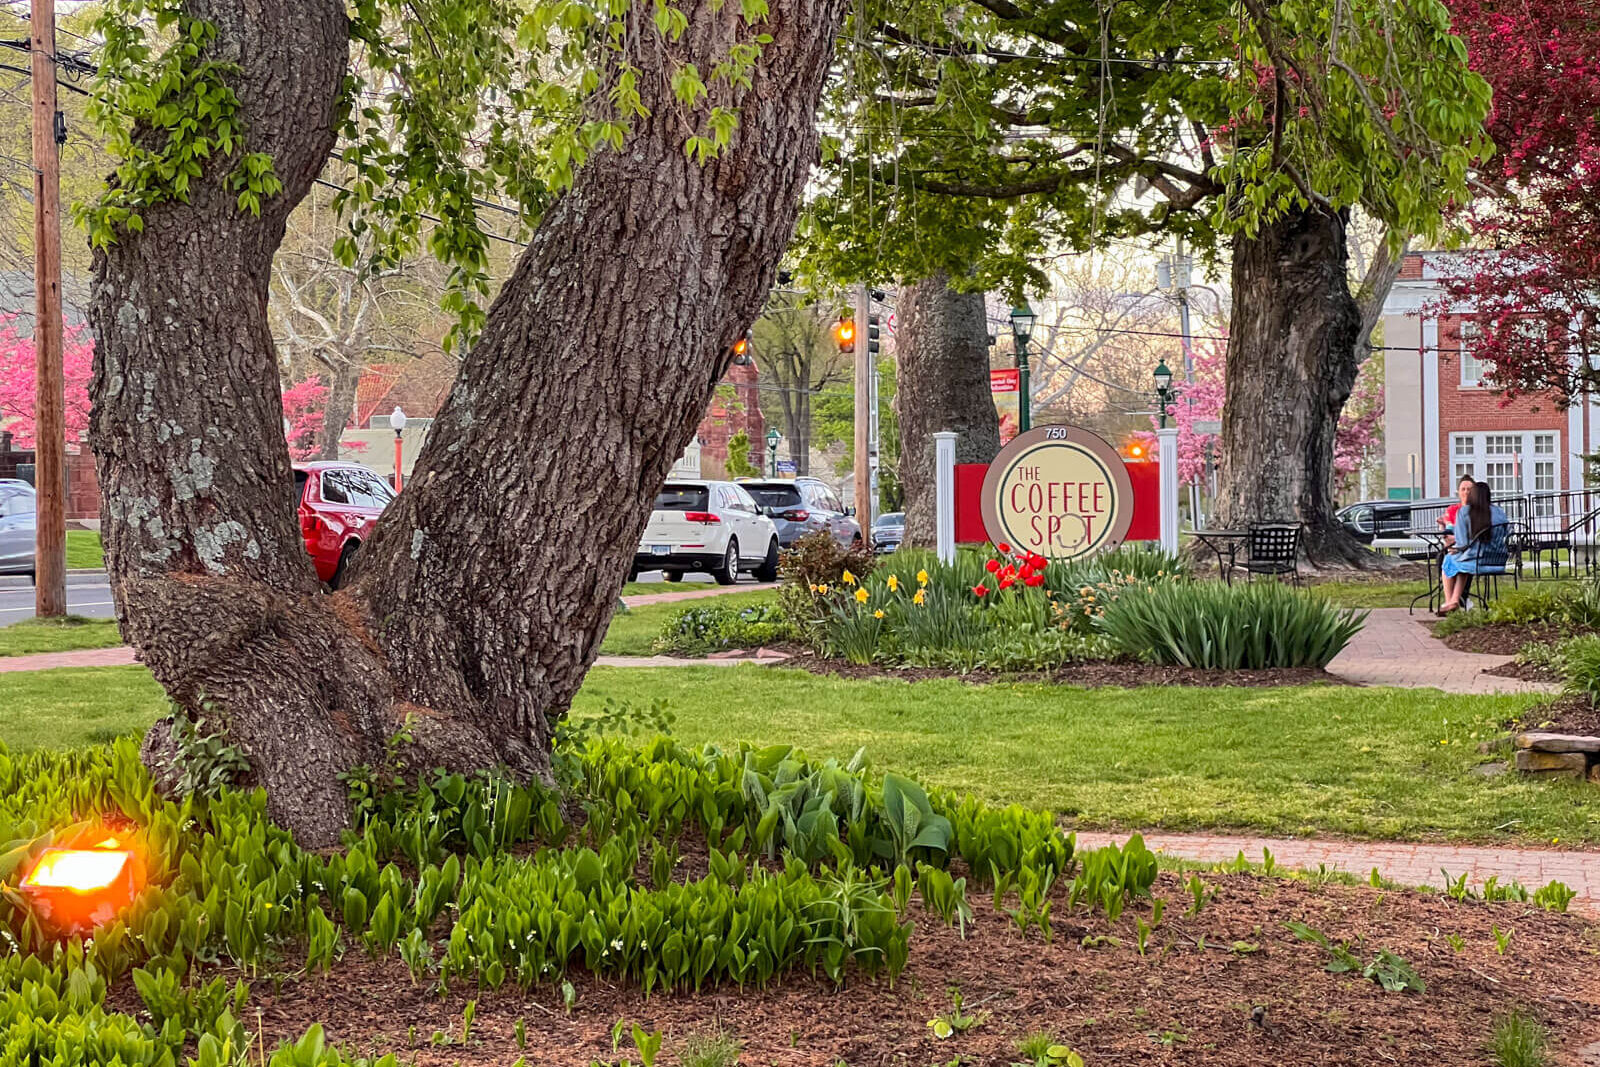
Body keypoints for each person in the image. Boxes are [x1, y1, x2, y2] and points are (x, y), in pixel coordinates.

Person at [1438, 480, 1508, 614]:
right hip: (1498, 562)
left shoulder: (1464, 512)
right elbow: (1506, 533)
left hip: (1475, 561)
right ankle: (1454, 601)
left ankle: (1449, 602)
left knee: (1449, 559)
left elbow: (1462, 543)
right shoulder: (1499, 512)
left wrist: (1455, 548)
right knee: (1460, 563)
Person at [1436, 474, 1475, 548]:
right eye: (1463, 489)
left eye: (1469, 489)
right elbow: (1449, 538)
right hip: (1455, 549)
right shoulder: (1452, 510)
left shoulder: (1480, 511)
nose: (1466, 492)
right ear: (1459, 492)